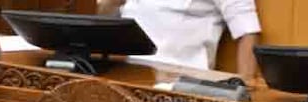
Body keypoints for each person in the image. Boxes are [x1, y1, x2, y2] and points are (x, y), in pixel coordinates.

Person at [98, 0, 261, 78]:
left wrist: (245, 87)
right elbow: (102, 17)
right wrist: (108, 4)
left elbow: (248, 31)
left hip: (179, 82)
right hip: (124, 74)